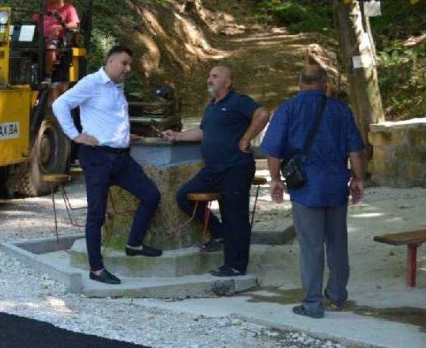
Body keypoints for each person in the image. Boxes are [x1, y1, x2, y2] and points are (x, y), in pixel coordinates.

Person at [260, 64, 366, 319]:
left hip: (305, 187)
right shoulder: (340, 109)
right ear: (325, 84)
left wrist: (275, 180)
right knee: (338, 243)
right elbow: (355, 150)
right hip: (336, 186)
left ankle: (312, 304)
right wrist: (358, 179)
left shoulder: (287, 109)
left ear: (300, 84)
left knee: (311, 246)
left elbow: (273, 151)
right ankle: (337, 295)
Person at [52, 45, 162, 285]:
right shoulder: (91, 83)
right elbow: (59, 104)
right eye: (124, 63)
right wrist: (75, 135)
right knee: (96, 214)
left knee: (151, 195)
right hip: (97, 157)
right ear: (110, 61)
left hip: (121, 157)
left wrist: (124, 135)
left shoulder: (116, 86)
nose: (128, 69)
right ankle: (96, 269)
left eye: (129, 64)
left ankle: (134, 244)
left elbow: (110, 116)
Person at [162, 65, 269, 277]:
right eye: (209, 76)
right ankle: (218, 232)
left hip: (235, 168)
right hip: (214, 169)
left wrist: (246, 139)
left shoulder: (238, 100)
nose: (209, 79)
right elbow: (203, 132)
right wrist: (177, 136)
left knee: (235, 217)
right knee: (184, 196)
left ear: (228, 83)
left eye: (215, 76)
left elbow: (262, 114)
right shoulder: (212, 106)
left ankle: (235, 266)